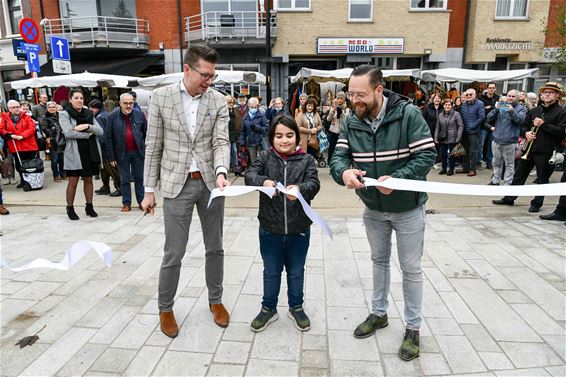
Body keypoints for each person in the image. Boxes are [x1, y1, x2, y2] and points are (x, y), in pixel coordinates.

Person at [330, 65, 436, 361]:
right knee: (378, 261)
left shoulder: (408, 114)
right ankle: (379, 313)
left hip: (407, 208)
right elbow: (338, 156)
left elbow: (428, 154)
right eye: (351, 94)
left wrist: (399, 178)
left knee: (411, 268)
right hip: (373, 208)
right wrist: (344, 173)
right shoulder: (352, 119)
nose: (354, 100)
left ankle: (413, 328)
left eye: (361, 94)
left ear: (379, 90)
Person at [141, 44, 231, 338]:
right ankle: (165, 307)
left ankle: (215, 300)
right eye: (205, 75)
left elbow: (221, 142)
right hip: (175, 185)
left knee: (215, 247)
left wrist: (221, 172)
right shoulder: (161, 97)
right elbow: (153, 146)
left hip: (209, 184)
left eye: (213, 76)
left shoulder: (217, 100)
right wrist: (148, 190)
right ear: (187, 69)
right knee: (174, 252)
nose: (209, 80)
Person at [245, 115, 320, 332]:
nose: (284, 140)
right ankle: (268, 308)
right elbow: (250, 175)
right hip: (270, 228)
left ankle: (296, 306)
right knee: (271, 270)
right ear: (272, 137)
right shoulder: (264, 157)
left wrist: (301, 190)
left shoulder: (307, 160)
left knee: (296, 271)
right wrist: (264, 181)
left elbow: (314, 184)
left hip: (299, 228)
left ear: (297, 137)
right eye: (279, 136)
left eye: (289, 135)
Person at [493, 82, 566, 212]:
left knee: (542, 178)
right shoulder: (534, 110)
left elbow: (561, 131)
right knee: (519, 174)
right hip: (529, 149)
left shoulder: (561, 112)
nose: (547, 94)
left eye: (550, 92)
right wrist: (526, 133)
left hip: (546, 151)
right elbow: (523, 127)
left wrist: (543, 124)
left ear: (556, 96)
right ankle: (509, 198)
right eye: (545, 92)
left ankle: (536, 204)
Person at [59, 89, 104, 220]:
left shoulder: (89, 113)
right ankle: (70, 208)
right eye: (76, 98)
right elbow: (68, 133)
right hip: (74, 152)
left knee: (89, 180)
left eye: (81, 98)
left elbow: (100, 131)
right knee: (73, 181)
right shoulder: (64, 114)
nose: (79, 100)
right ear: (70, 100)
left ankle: (89, 206)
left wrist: (87, 126)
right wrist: (89, 134)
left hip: (90, 151)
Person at [106, 93, 147, 212]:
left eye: (131, 103)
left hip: (138, 153)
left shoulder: (140, 115)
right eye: (126, 103)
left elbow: (146, 134)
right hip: (121, 154)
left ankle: (141, 202)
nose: (128, 105)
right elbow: (108, 138)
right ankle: (126, 203)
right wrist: (111, 157)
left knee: (140, 179)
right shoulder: (112, 116)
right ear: (120, 104)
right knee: (124, 179)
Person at [486, 91, 526, 186]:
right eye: (509, 96)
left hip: (510, 141)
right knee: (496, 162)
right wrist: (496, 108)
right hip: (497, 139)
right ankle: (495, 180)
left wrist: (511, 110)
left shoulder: (521, 108)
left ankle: (508, 183)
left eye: (513, 96)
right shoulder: (501, 106)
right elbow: (489, 118)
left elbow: (520, 121)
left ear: (518, 97)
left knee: (509, 164)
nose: (510, 98)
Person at [0, 100, 39, 189]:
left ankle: (31, 181)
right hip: (14, 145)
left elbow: (31, 128)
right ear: (9, 109)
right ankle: (23, 180)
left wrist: (22, 136)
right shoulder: (5, 118)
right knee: (19, 164)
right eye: (14, 107)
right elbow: (1, 129)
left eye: (17, 107)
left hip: (28, 145)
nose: (16, 109)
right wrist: (10, 135)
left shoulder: (26, 116)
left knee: (29, 164)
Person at [90, 100, 121, 197]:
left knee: (111, 169)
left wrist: (99, 147)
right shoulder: (106, 114)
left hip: (105, 148)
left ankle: (119, 188)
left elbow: (102, 134)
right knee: (104, 169)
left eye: (91, 109)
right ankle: (105, 186)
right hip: (110, 145)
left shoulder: (99, 118)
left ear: (95, 108)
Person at [459, 88, 485, 176]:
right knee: (464, 150)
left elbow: (482, 117)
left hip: (474, 132)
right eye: (467, 95)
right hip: (464, 131)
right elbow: (461, 117)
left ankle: (473, 169)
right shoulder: (464, 105)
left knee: (473, 151)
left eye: (471, 94)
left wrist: (473, 125)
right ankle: (465, 168)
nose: (469, 96)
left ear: (475, 95)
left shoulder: (480, 104)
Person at [435, 99, 464, 176]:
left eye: (449, 105)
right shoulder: (440, 115)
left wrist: (458, 137)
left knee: (452, 155)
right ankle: (444, 169)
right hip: (443, 137)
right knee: (443, 154)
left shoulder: (456, 114)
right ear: (443, 106)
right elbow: (438, 127)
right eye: (446, 105)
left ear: (451, 106)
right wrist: (436, 137)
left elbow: (460, 126)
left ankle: (451, 169)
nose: (447, 106)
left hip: (453, 137)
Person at [239, 97, 269, 164]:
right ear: (249, 106)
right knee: (253, 162)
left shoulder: (261, 116)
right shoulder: (245, 117)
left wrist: (256, 127)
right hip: (250, 143)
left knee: (262, 160)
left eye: (255, 107)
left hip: (260, 142)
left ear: (257, 107)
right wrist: (242, 143)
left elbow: (266, 129)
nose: (253, 109)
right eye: (251, 107)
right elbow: (242, 131)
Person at [479, 82, 500, 169]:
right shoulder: (481, 98)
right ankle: (478, 162)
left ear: (495, 89)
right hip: (483, 125)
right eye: (490, 88)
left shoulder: (498, 98)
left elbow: (500, 108)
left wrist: (490, 107)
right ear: (487, 89)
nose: (491, 89)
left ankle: (489, 162)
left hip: (494, 125)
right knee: (480, 145)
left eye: (493, 88)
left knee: (491, 146)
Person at [43, 101, 66, 181]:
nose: (52, 108)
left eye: (53, 107)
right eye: (50, 107)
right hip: (52, 140)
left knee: (62, 158)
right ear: (47, 108)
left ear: (56, 108)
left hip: (62, 139)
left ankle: (63, 174)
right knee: (54, 159)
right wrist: (53, 131)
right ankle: (56, 176)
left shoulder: (60, 115)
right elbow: (44, 128)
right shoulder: (45, 117)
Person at [326, 91, 350, 162]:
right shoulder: (333, 108)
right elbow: (328, 119)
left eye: (341, 98)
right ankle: (331, 163)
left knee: (341, 149)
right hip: (333, 132)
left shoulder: (347, 110)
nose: (340, 100)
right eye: (338, 98)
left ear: (344, 100)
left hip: (342, 133)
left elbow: (346, 121)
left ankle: (339, 163)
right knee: (332, 149)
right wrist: (333, 111)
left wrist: (341, 113)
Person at [225, 95, 239, 173]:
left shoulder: (234, 111)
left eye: (232, 102)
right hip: (226, 135)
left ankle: (235, 166)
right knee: (227, 152)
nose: (231, 104)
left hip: (233, 135)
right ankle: (228, 166)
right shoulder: (224, 110)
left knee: (234, 151)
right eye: (230, 102)